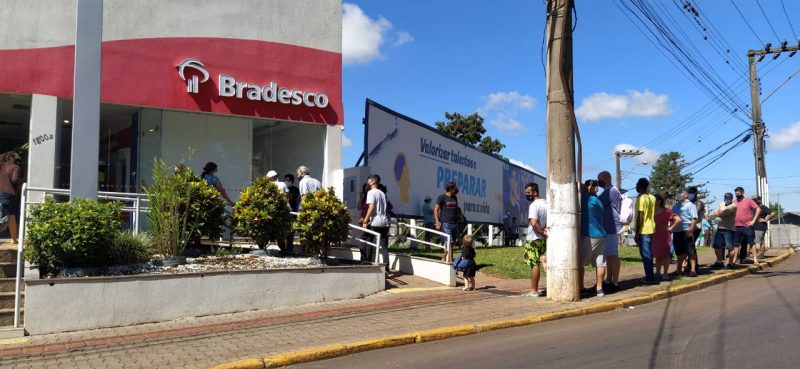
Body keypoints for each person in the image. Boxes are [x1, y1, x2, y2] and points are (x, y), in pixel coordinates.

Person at [579, 180, 607, 297]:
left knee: (579, 263)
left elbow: (578, 184)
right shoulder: (598, 201)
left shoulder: (587, 198)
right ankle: (599, 289)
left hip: (589, 235)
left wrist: (586, 188)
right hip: (602, 235)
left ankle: (580, 287)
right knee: (600, 263)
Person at [598, 171, 622, 292]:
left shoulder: (611, 191)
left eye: (600, 179)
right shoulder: (610, 190)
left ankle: (615, 282)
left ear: (607, 178)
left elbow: (597, 202)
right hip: (608, 227)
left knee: (613, 255)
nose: (598, 182)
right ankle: (608, 280)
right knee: (609, 256)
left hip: (612, 227)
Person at [522, 182, 547, 297]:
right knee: (538, 260)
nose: (526, 195)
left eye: (528, 193)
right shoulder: (546, 203)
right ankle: (544, 259)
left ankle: (534, 291)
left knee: (534, 264)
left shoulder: (534, 205)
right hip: (542, 239)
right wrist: (544, 232)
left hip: (533, 238)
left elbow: (533, 222)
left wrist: (541, 231)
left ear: (535, 192)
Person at [361, 175, 390, 271]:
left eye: (369, 180)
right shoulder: (382, 193)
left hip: (375, 222)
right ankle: (386, 269)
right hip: (385, 223)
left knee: (366, 240)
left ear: (373, 182)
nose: (368, 182)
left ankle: (367, 262)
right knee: (384, 247)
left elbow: (371, 207)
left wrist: (365, 220)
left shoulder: (371, 192)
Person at [634, 178, 657, 284]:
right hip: (651, 228)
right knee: (649, 253)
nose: (636, 187)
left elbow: (641, 216)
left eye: (637, 185)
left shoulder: (641, 198)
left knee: (646, 254)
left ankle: (649, 277)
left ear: (640, 186)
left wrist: (637, 233)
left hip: (644, 230)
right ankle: (650, 274)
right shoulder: (652, 197)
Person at [672, 188, 699, 277]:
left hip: (687, 230)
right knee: (679, 251)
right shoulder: (675, 206)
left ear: (686, 195)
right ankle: (679, 270)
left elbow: (694, 218)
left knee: (690, 250)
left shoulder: (690, 205)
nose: (679, 194)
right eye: (678, 193)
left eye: (681, 193)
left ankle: (693, 270)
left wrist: (691, 229)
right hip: (677, 231)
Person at [653, 195, 681, 280]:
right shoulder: (650, 210)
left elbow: (678, 219)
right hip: (654, 235)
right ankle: (657, 273)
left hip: (664, 236)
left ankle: (665, 273)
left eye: (654, 199)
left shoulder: (666, 211)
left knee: (665, 255)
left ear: (659, 201)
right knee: (657, 255)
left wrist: (670, 228)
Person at [733, 187, 761, 265]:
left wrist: (753, 220)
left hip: (747, 226)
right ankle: (734, 259)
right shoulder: (734, 202)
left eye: (738, 193)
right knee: (736, 244)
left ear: (742, 192)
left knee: (751, 243)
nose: (737, 194)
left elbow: (758, 209)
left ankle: (755, 259)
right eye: (736, 193)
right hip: (736, 226)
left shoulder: (749, 201)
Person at [434, 182, 461, 260]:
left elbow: (456, 209)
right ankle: (450, 260)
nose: (456, 189)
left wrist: (458, 219)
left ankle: (446, 258)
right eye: (455, 187)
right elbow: (436, 209)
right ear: (450, 188)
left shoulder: (455, 197)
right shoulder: (442, 197)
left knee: (452, 243)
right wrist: (437, 221)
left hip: (454, 223)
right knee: (449, 242)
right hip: (446, 223)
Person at [0, 152, 22, 244]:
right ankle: (14, 239)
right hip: (8, 194)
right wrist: (20, 183)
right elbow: (15, 179)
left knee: (7, 216)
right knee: (10, 216)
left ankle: (14, 239)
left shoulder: (1, 166)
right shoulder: (15, 167)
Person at [712, 193, 737, 268]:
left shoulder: (733, 206)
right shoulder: (721, 203)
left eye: (728, 197)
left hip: (729, 229)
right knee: (717, 246)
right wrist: (719, 213)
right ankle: (719, 261)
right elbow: (715, 213)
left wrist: (719, 213)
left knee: (730, 247)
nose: (726, 199)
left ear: (731, 198)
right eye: (725, 197)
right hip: (720, 228)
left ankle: (730, 263)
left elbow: (722, 214)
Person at [751, 195, 774, 260]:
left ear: (758, 200)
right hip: (752, 226)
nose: (753, 201)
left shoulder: (763, 207)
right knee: (752, 241)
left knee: (760, 241)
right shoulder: (753, 207)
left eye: (755, 200)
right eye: (753, 200)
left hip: (760, 226)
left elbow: (772, 213)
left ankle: (761, 254)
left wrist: (766, 219)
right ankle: (753, 254)